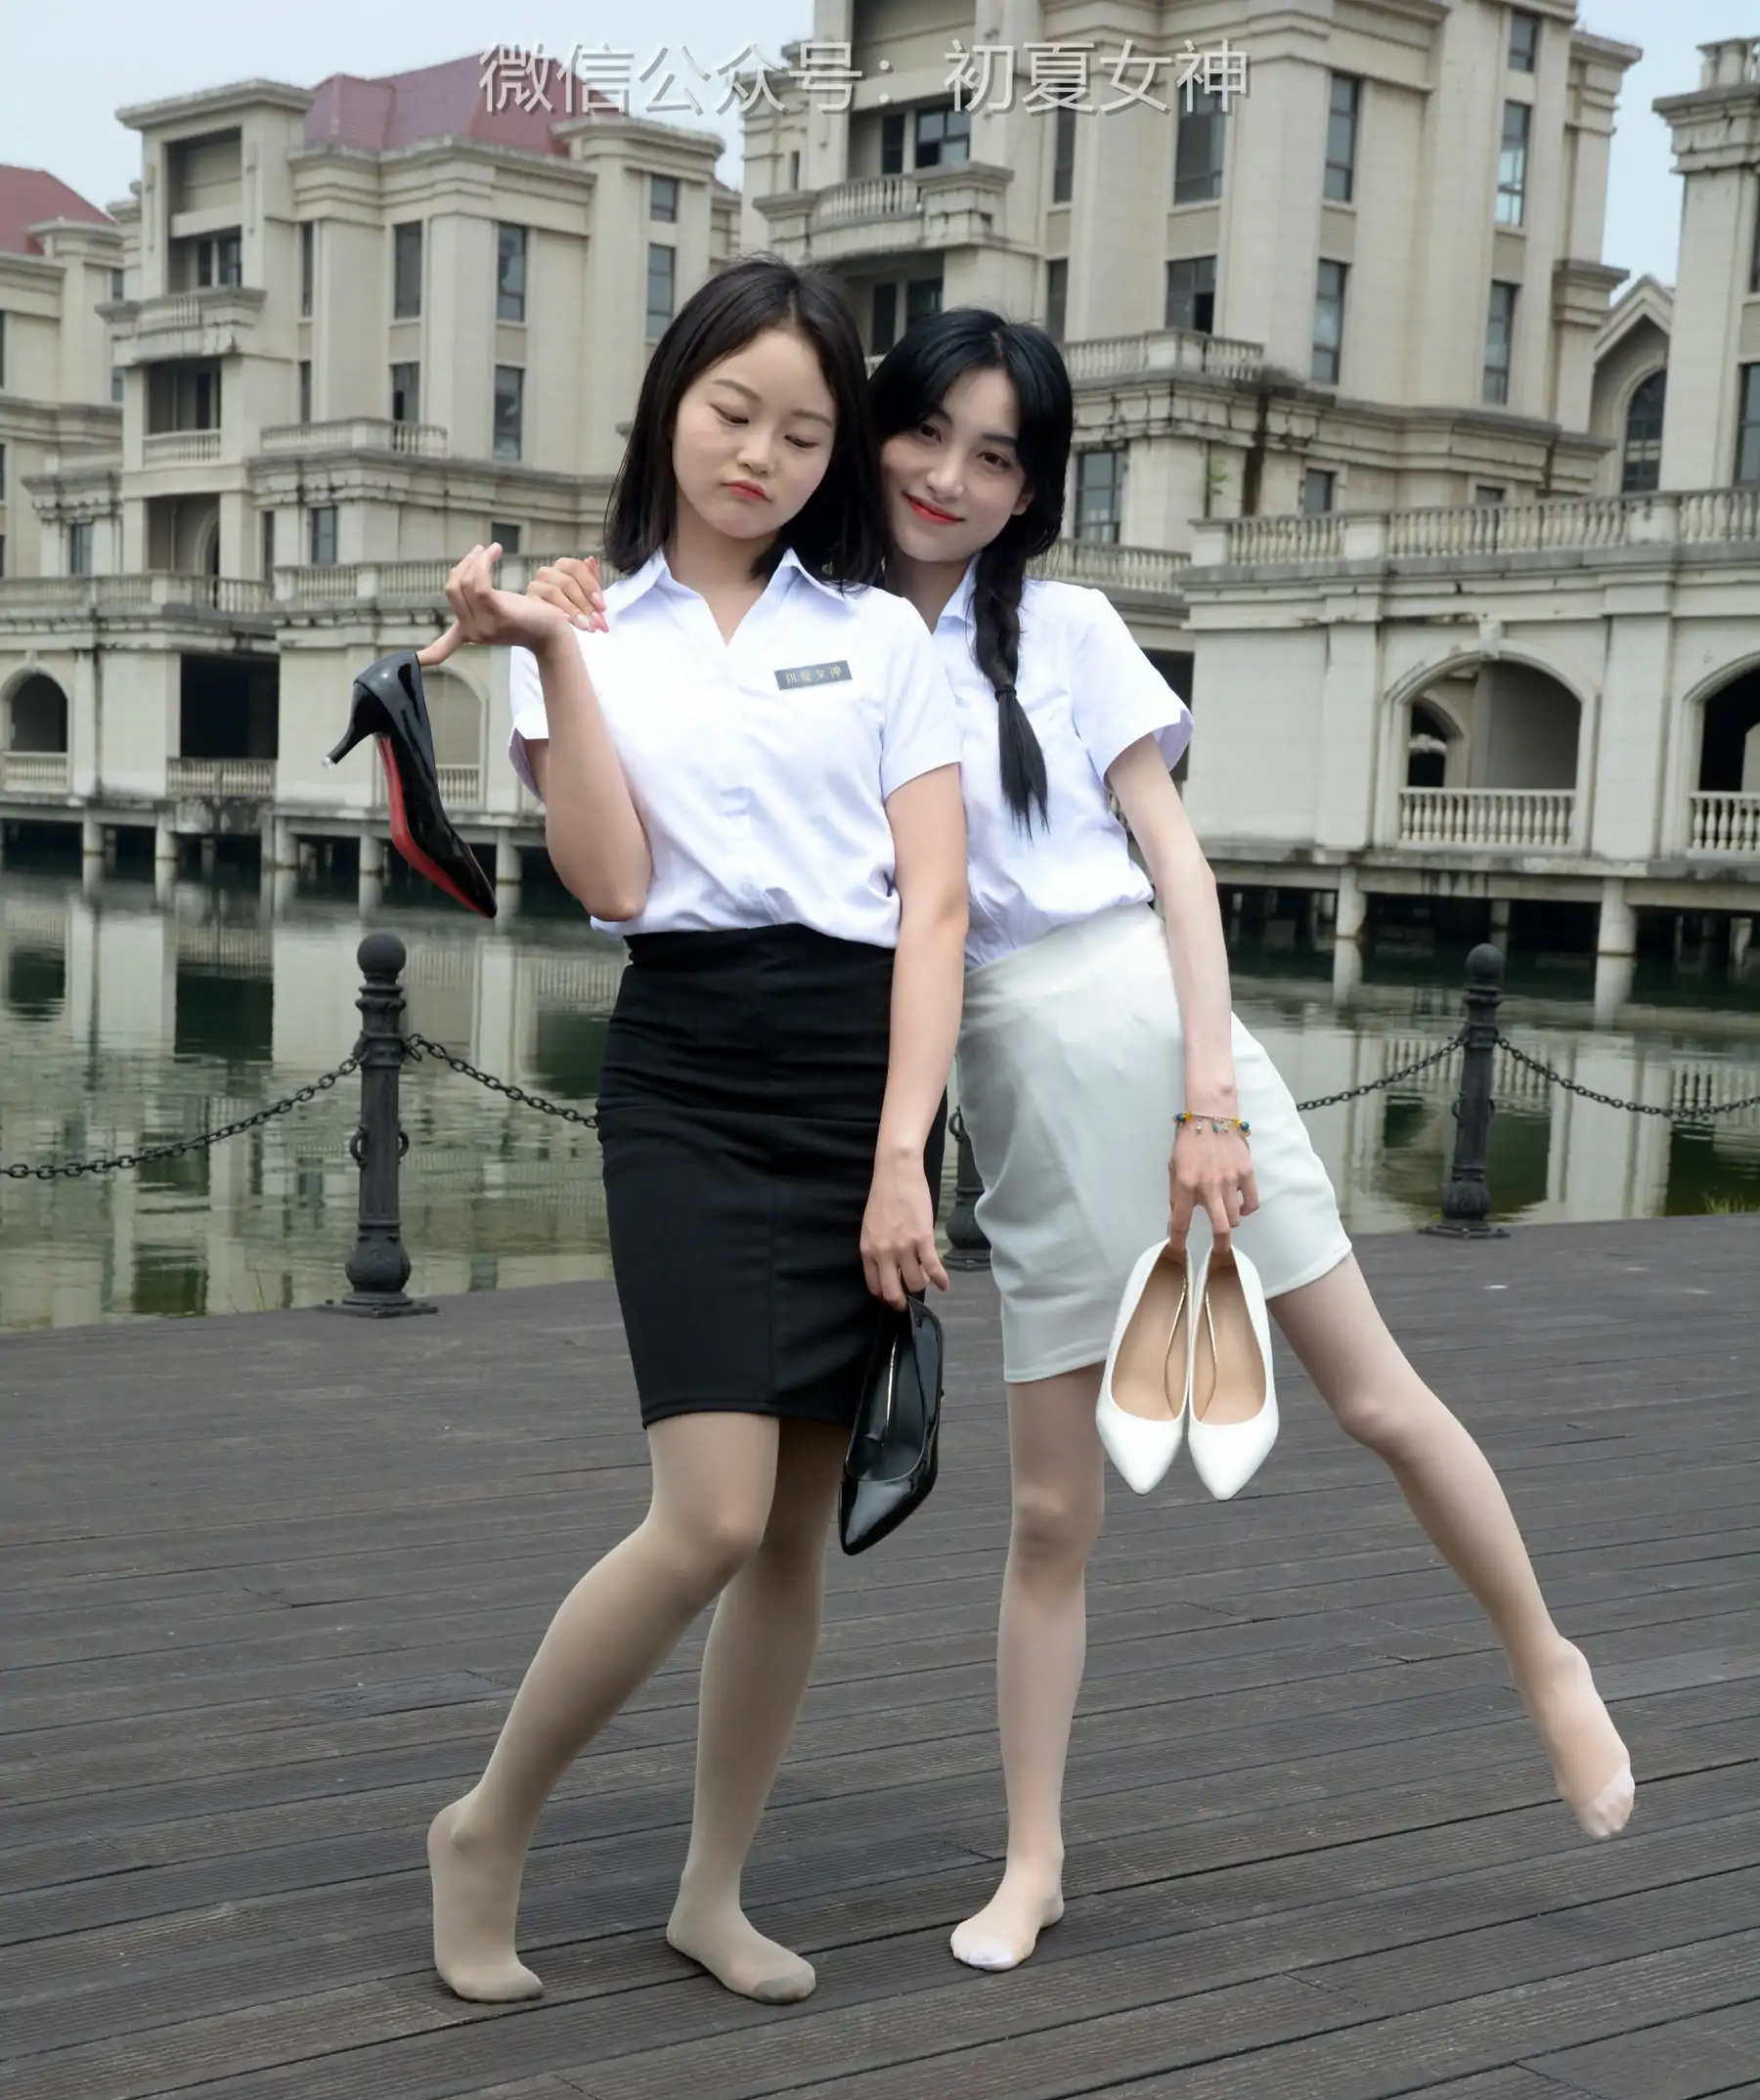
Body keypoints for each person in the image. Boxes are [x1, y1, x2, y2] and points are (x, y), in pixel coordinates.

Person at [528, 308, 1635, 1982]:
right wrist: (570, 610)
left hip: (1158, 1039)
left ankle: (1548, 1659)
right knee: (1052, 1513)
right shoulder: (821, 627)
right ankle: (1033, 1859)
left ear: (1035, 489)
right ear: (868, 438)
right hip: (1013, 1090)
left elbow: (1177, 866)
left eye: (997, 457)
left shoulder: (1068, 629)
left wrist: (1211, 1096)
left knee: (1376, 1396)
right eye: (923, 435)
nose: (948, 478)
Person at [417, 257, 967, 2006]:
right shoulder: (579, 627)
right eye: (735, 412)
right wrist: (551, 657)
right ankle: (486, 1826)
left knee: (797, 1530)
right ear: (671, 402)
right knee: (713, 1515)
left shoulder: (881, 637)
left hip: (859, 1080)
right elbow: (613, 879)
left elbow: (937, 908)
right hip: (690, 1076)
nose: (761, 456)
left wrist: (904, 1154)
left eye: (804, 433)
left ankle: (711, 1891)